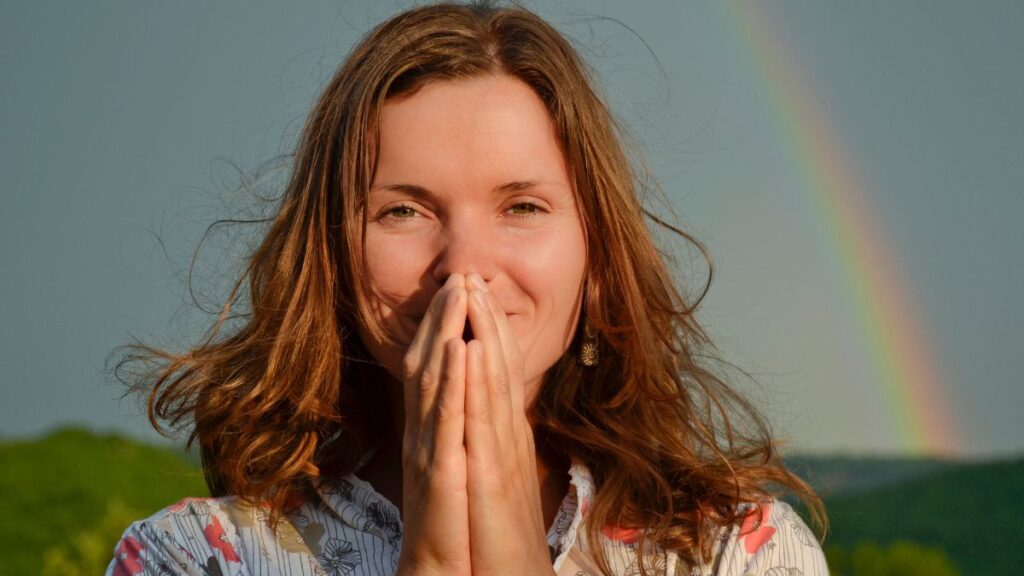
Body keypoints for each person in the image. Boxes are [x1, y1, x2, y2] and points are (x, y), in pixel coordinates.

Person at [107, 2, 828, 575]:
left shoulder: (740, 554)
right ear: (330, 255)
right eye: (404, 211)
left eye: (522, 206)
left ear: (598, 255)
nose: (465, 265)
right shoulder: (198, 559)